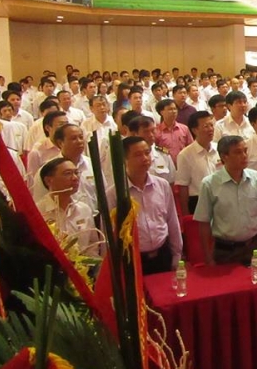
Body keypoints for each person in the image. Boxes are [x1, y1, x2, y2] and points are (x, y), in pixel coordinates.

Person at [194, 135, 257, 266]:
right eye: (238, 152)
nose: (244, 156)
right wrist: (207, 257)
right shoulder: (209, 184)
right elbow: (204, 223)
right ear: (224, 156)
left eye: (245, 151)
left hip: (255, 246)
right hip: (226, 251)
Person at [111, 137, 181, 275]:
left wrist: (177, 254)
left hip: (163, 254)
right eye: (138, 155)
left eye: (147, 153)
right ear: (125, 160)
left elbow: (172, 221)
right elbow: (111, 233)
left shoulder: (162, 185)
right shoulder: (115, 194)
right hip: (133, 260)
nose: (145, 158)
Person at [37, 158, 100, 258]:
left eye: (76, 173)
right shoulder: (38, 212)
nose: (75, 178)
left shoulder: (84, 210)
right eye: (67, 173)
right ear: (48, 180)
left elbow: (93, 244)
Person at [174, 110, 219, 216]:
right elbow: (183, 186)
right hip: (198, 201)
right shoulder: (185, 155)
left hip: (221, 198)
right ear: (195, 130)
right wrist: (186, 214)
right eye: (206, 126)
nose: (210, 129)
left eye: (211, 125)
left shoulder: (219, 148)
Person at [154, 98, 192, 164]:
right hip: (165, 164)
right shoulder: (156, 131)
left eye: (175, 109)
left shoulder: (184, 128)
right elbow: (155, 149)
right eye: (170, 109)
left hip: (184, 163)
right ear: (162, 112)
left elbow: (191, 146)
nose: (174, 111)